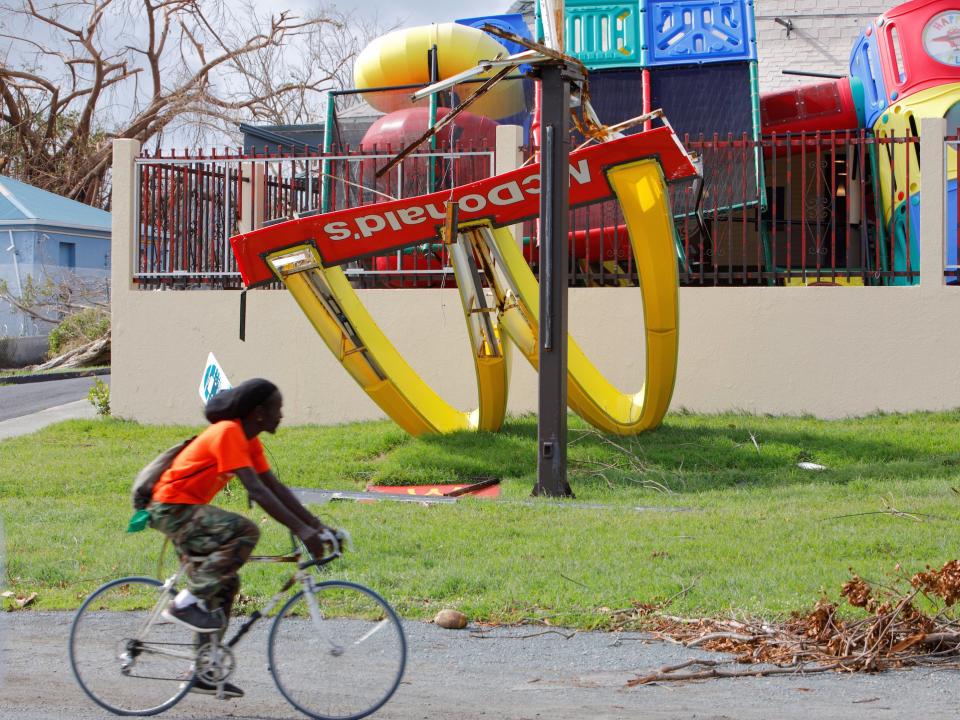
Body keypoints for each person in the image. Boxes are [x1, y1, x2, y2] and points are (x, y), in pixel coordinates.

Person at [148, 378, 331, 698]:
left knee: (227, 584)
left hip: (186, 509)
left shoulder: (249, 441)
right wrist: (303, 532)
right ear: (259, 413)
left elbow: (275, 487)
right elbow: (257, 491)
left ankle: (201, 670)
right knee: (246, 530)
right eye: (277, 409)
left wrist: (317, 526)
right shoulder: (229, 433)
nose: (281, 416)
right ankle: (184, 603)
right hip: (171, 508)